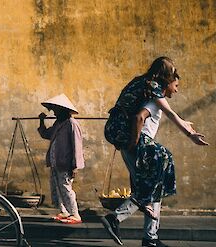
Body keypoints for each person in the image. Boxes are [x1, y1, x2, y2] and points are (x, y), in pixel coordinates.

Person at [102, 57, 209, 247]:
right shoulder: (153, 97)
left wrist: (188, 128)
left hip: (126, 141)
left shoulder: (141, 84)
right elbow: (144, 117)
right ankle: (116, 219)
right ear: (166, 80)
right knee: (158, 171)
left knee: (151, 188)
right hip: (137, 145)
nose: (177, 89)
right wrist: (189, 134)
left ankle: (150, 237)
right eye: (175, 84)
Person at [37, 94, 85, 224]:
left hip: (66, 164)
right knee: (57, 188)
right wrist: (42, 121)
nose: (54, 112)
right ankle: (64, 211)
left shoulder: (72, 124)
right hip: (56, 163)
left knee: (66, 187)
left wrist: (75, 165)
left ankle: (75, 214)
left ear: (63, 110)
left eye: (56, 110)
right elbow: (46, 134)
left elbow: (77, 146)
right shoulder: (59, 124)